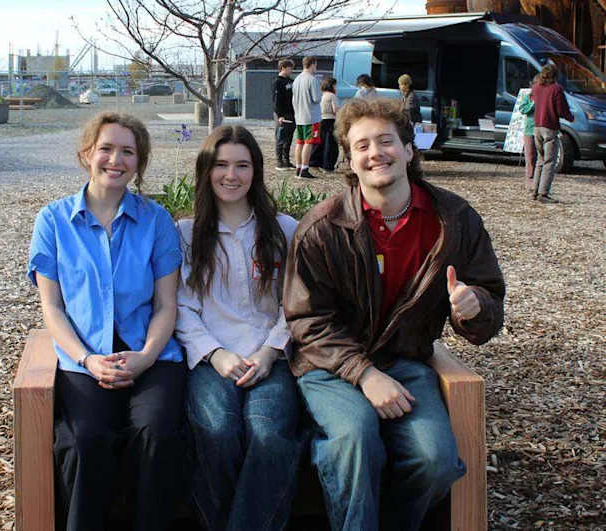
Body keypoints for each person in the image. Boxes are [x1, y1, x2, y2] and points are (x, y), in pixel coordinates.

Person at [283, 98, 506, 531]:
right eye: (361, 145)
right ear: (350, 158)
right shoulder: (322, 227)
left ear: (408, 148)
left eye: (386, 141)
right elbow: (307, 321)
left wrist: (473, 307)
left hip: (405, 361)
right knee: (353, 438)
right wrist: (364, 374)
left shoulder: (454, 220)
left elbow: (490, 299)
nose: (375, 153)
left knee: (436, 460)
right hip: (331, 366)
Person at [28, 112, 187, 530]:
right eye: (106, 148)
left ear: (139, 163)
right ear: (87, 154)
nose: (115, 159)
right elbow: (53, 308)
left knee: (158, 432)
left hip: (149, 354)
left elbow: (166, 305)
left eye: (128, 152)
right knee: (85, 440)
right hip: (84, 355)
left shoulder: (157, 222)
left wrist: (148, 356)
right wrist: (86, 359)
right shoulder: (53, 221)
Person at [175, 125, 305, 530]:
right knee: (217, 429)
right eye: (221, 164)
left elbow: (299, 304)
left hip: (273, 356)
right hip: (211, 358)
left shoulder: (284, 229)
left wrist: (270, 352)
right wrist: (217, 355)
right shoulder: (185, 234)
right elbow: (181, 307)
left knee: (268, 434)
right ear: (206, 170)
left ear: (256, 171)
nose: (231, 175)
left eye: (242, 165)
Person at [530, 63, 575, 202]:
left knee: (540, 159)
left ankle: (535, 190)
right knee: (550, 161)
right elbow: (562, 110)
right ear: (555, 75)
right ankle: (543, 193)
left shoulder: (536, 88)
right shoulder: (556, 89)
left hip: (536, 126)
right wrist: (571, 118)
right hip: (550, 127)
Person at [292, 56, 322, 179]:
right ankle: (304, 169)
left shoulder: (297, 79)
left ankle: (298, 167)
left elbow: (293, 99)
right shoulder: (312, 80)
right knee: (308, 143)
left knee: (299, 142)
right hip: (311, 116)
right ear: (312, 64)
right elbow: (316, 98)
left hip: (299, 116)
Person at [310, 76, 339, 172]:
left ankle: (314, 163)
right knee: (330, 145)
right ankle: (328, 166)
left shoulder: (321, 95)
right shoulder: (332, 96)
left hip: (319, 120)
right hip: (330, 120)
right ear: (332, 86)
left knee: (318, 143)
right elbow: (335, 109)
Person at [273, 59, 296, 170]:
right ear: (283, 68)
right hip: (282, 113)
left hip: (291, 113)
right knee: (280, 137)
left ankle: (286, 161)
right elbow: (276, 100)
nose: (291, 70)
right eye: (289, 68)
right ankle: (279, 162)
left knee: (289, 138)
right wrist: (279, 115)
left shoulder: (290, 81)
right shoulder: (278, 81)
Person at [517, 81, 537, 190]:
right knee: (529, 156)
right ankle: (529, 180)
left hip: (540, 129)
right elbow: (522, 109)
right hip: (529, 130)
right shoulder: (527, 97)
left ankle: (537, 180)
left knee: (539, 157)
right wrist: (533, 104)